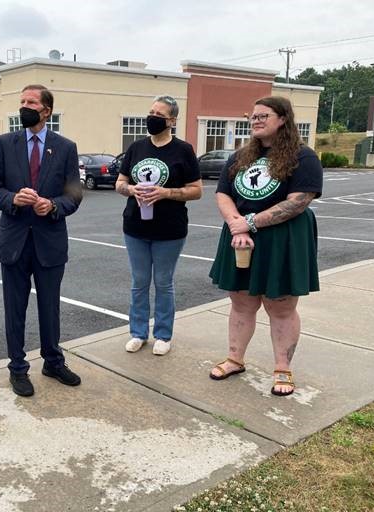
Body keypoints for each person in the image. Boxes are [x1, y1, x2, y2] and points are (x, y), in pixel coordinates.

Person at [208, 96, 323, 396]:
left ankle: (282, 368)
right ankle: (235, 358)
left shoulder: (303, 156)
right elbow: (223, 194)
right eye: (253, 116)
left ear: (283, 118)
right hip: (239, 237)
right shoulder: (240, 157)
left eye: (263, 115)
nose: (256, 120)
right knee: (241, 301)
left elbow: (298, 201)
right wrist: (237, 224)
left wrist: (251, 223)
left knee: (281, 306)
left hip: (283, 239)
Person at [0, 84, 83, 397]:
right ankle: (17, 368)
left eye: (30, 102)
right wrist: (14, 198)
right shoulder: (5, 143)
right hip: (14, 241)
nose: (24, 106)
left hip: (49, 241)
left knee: (49, 307)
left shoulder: (66, 147)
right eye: (22, 101)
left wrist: (53, 205)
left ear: (46, 110)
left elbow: (73, 194)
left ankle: (52, 361)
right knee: (14, 309)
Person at [115, 95, 202, 356]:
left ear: (172, 120)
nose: (151, 117)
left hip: (169, 230)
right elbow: (120, 183)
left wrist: (165, 193)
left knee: (163, 282)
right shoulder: (136, 148)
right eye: (150, 112)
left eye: (159, 114)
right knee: (139, 282)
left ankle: (163, 334)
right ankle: (138, 332)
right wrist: (131, 190)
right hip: (135, 227)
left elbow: (197, 190)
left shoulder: (183, 150)